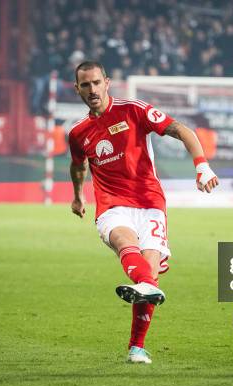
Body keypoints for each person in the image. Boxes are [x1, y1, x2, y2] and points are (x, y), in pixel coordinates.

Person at [68, 61, 218, 364]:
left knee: (147, 282)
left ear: (107, 82)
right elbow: (78, 165)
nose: (92, 90)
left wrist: (201, 166)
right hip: (112, 205)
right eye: (85, 85)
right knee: (125, 242)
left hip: (150, 203)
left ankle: (136, 347)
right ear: (78, 89)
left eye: (96, 82)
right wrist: (77, 197)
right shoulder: (78, 133)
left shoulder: (133, 110)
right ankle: (145, 287)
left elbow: (181, 130)